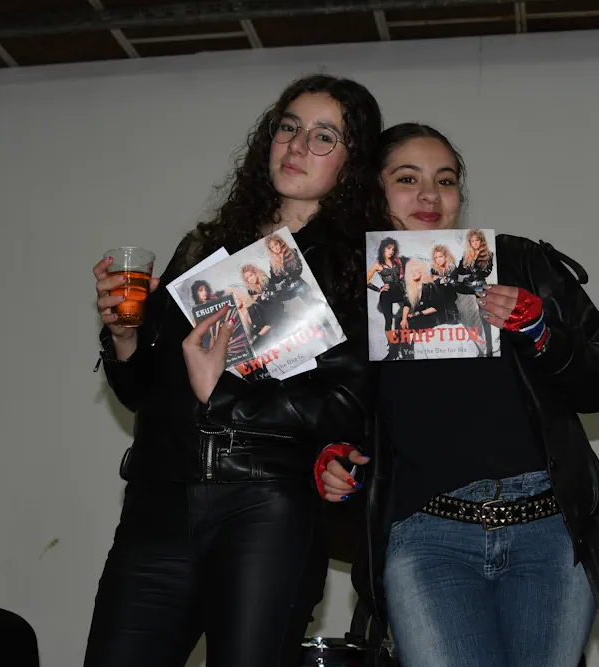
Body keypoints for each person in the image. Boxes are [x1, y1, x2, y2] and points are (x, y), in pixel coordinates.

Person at [85, 74, 386, 667]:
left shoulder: (356, 266)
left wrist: (221, 393)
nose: (297, 146)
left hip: (265, 508)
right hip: (157, 506)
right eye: (288, 128)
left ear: (353, 162)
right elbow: (144, 391)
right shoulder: (204, 248)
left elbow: (346, 406)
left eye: (324, 136)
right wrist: (124, 337)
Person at [319, 123, 599, 667]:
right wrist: (335, 457)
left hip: (548, 533)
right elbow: (335, 416)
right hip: (427, 536)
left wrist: (542, 331)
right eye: (407, 178)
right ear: (373, 188)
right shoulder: (351, 293)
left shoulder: (519, 261)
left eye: (445, 180)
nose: (430, 195)